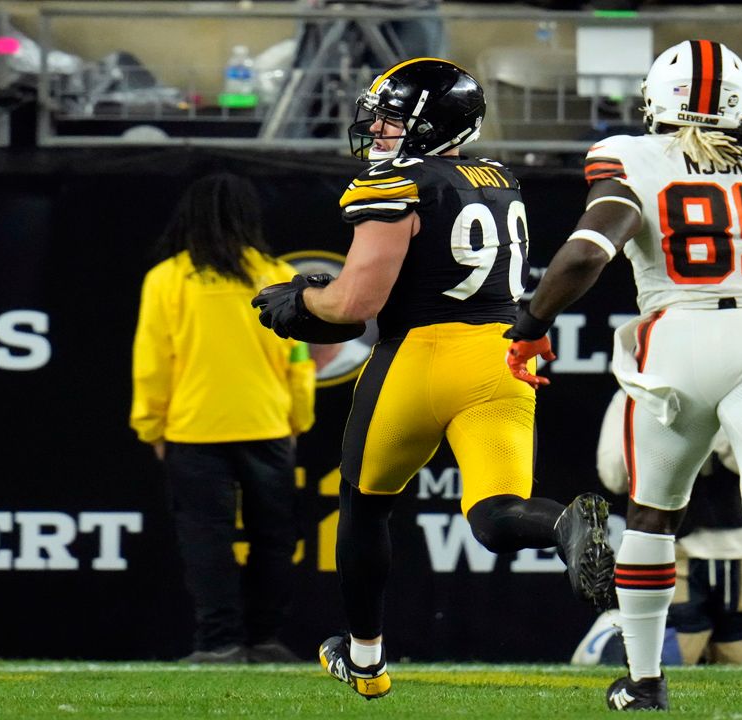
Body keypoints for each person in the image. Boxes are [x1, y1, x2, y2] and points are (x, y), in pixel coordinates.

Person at [503, 40, 742, 710]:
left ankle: (644, 682)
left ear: (656, 97)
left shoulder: (633, 158)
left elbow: (586, 256)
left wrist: (531, 322)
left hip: (676, 340)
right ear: (741, 102)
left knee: (650, 516)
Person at [251, 57, 615, 700]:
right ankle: (562, 526)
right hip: (504, 357)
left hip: (420, 357)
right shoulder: (498, 177)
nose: (380, 131)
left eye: (393, 118)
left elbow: (355, 306)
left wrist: (299, 302)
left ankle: (365, 661)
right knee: (498, 516)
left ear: (431, 123)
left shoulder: (395, 184)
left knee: (363, 507)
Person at [130, 173, 316, 664]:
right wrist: (298, 419)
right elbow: (298, 359)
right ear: (249, 216)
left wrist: (152, 426)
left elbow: (153, 362)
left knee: (206, 539)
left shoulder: (167, 279)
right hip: (269, 426)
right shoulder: (276, 276)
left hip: (192, 430)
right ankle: (264, 639)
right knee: (273, 539)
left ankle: (218, 643)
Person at [578, 390, 742, 668]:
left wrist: (718, 424)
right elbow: (614, 476)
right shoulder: (633, 393)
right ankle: (612, 639)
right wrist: (653, 431)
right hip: (672, 545)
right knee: (669, 656)